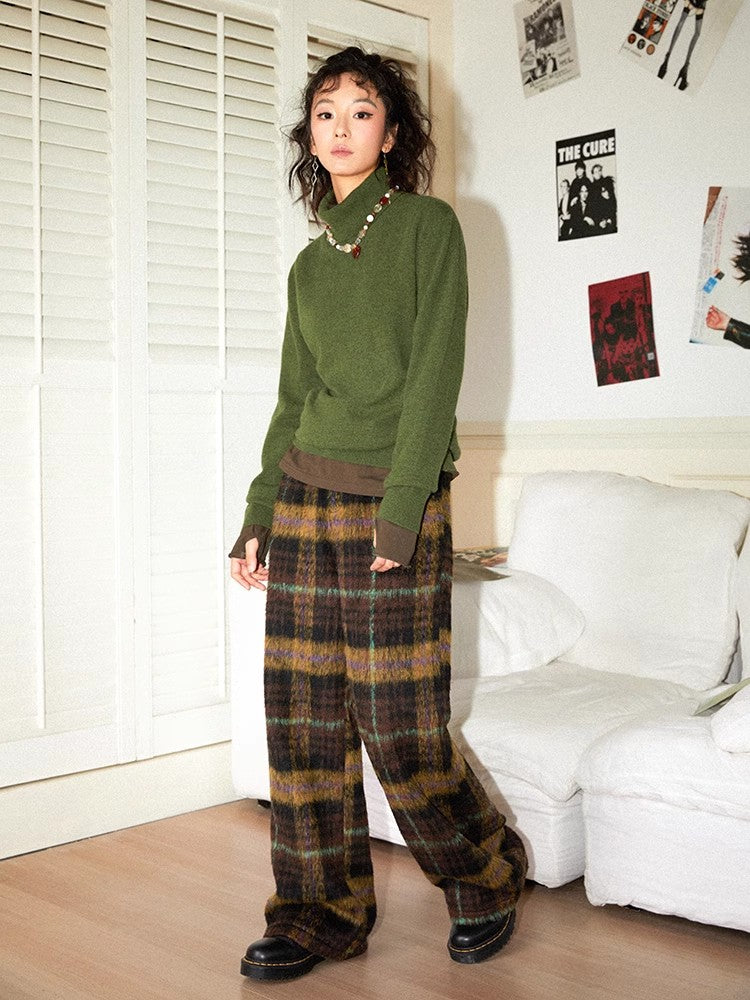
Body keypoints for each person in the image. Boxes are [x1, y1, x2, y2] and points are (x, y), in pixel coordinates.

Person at [228, 46, 528, 983]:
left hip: (393, 500)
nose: (342, 127)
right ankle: (318, 915)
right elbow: (293, 399)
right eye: (326, 112)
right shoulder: (308, 268)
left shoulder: (429, 228)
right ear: (309, 135)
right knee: (304, 727)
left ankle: (485, 875)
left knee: (400, 728)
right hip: (305, 502)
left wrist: (403, 510)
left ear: (392, 134)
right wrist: (259, 512)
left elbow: (437, 374)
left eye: (362, 111)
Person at [657, 0, 708, 90]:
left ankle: (667, 59)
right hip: (701, 4)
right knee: (697, 33)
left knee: (681, 23)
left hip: (692, 2)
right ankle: (685, 68)